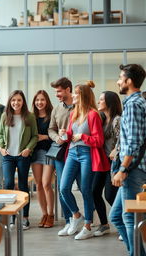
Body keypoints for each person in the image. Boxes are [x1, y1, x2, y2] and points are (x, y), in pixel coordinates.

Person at [59, 81, 110, 240]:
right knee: (64, 188)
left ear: (83, 96)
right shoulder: (73, 113)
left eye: (75, 93)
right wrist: (64, 134)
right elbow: (69, 135)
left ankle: (88, 225)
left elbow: (99, 141)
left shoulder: (93, 114)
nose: (73, 95)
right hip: (73, 152)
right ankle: (76, 215)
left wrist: (83, 136)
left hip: (87, 153)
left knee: (86, 190)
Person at [109, 64, 146, 256]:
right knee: (116, 216)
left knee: (130, 217)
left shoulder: (132, 104)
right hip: (134, 167)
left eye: (120, 77)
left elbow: (133, 142)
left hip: (133, 169)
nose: (118, 81)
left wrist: (123, 169)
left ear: (129, 81)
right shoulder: (137, 102)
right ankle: (137, 252)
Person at [0, 90, 38, 230]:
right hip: (8, 156)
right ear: (10, 101)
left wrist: (28, 149)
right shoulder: (5, 116)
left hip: (23, 155)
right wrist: (1, 148)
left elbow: (35, 136)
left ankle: (25, 217)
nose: (16, 103)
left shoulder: (29, 116)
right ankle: (11, 217)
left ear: (23, 102)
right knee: (8, 184)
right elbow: (0, 134)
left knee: (22, 185)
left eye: (19, 100)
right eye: (13, 100)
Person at [93, 91, 121, 237]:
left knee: (110, 195)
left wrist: (116, 150)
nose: (99, 101)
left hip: (113, 163)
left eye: (101, 99)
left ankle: (123, 224)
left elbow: (123, 140)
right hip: (101, 162)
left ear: (109, 102)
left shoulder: (117, 120)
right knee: (94, 192)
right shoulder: (102, 118)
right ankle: (104, 224)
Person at [48, 77, 74, 235]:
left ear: (68, 90)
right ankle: (69, 220)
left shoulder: (81, 106)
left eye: (59, 91)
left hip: (79, 151)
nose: (57, 94)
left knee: (85, 188)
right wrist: (56, 136)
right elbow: (51, 129)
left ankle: (87, 222)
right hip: (61, 152)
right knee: (62, 188)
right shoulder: (57, 109)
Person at [31, 90, 54, 228]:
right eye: (37, 100)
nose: (40, 102)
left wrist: (44, 137)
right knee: (38, 184)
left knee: (46, 184)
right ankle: (44, 214)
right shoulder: (31, 117)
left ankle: (51, 214)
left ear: (47, 101)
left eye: (42, 100)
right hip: (35, 153)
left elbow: (57, 133)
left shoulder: (52, 115)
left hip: (49, 152)